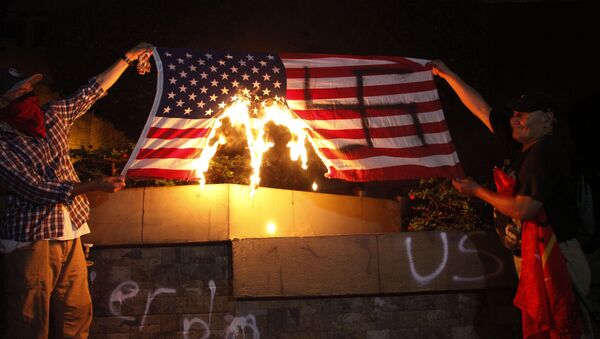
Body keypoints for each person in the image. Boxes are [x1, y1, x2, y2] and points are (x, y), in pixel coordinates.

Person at [0, 42, 153, 338]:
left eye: (28, 89)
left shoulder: (53, 115)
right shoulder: (4, 141)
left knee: (77, 313)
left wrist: (126, 58)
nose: (28, 95)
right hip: (31, 237)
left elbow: (91, 91)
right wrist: (91, 186)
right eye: (18, 93)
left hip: (70, 229)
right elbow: (33, 188)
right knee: (29, 320)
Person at [430, 60, 593, 337]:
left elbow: (525, 208)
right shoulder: (523, 146)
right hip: (534, 256)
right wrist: (447, 75)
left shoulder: (545, 152)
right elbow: (481, 109)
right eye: (515, 114)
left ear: (548, 118)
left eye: (524, 114)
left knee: (568, 329)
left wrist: (477, 191)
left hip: (556, 257)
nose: (515, 120)